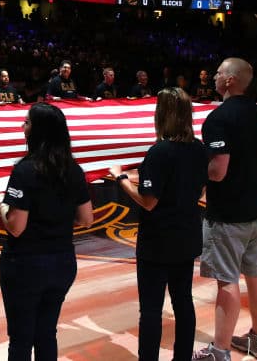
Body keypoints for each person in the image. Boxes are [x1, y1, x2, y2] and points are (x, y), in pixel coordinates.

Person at [109, 88, 207, 361]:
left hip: (157, 242)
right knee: (183, 302)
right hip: (187, 236)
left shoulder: (159, 152)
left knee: (151, 309)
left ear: (161, 114)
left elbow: (148, 201)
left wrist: (121, 179)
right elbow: (200, 190)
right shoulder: (199, 148)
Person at [0, 102, 94, 360]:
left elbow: (16, 227)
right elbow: (86, 219)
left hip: (25, 264)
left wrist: (0, 204)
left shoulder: (25, 170)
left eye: (26, 122)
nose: (22, 127)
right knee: (46, 333)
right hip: (62, 262)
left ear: (37, 131)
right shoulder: (74, 170)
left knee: (21, 338)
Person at [195, 58, 257, 361]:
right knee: (255, 274)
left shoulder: (218, 118)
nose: (214, 76)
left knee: (227, 280)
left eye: (218, 73)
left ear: (229, 80)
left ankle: (220, 350)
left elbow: (218, 171)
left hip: (229, 213)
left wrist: (195, 172)